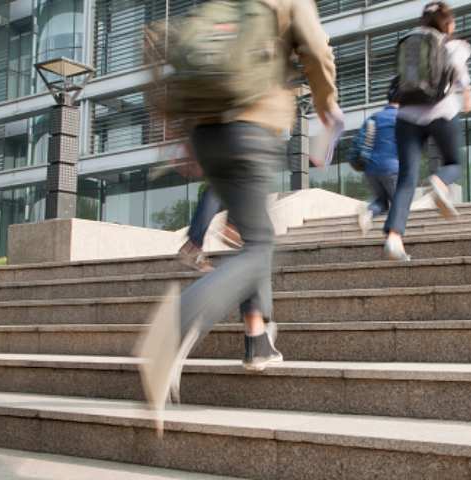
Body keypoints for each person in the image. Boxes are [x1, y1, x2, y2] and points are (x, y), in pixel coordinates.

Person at [136, 0, 339, 432]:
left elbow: (193, 57)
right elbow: (319, 51)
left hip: (207, 133)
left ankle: (257, 341)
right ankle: (177, 324)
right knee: (261, 246)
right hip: (251, 128)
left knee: (253, 238)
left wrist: (187, 134)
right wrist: (327, 105)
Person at [383, 1, 471, 261]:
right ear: (447, 23)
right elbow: (459, 71)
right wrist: (467, 92)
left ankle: (394, 237)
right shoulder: (454, 45)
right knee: (453, 162)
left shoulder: (411, 43)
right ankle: (439, 182)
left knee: (406, 179)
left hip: (406, 115)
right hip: (441, 111)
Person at [347, 79, 400, 235]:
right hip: (392, 169)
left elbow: (361, 142)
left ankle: (369, 212)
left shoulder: (374, 117)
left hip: (370, 169)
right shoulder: (402, 118)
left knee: (382, 202)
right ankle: (393, 238)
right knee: (399, 203)